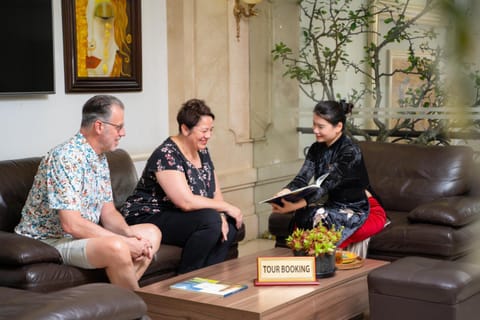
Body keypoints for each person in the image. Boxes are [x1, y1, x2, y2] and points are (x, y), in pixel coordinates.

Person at [14, 95, 161, 290]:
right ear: (99, 126)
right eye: (119, 127)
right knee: (118, 248)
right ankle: (136, 307)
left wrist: (130, 234)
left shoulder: (100, 158)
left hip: (80, 236)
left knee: (151, 233)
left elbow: (108, 213)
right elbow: (71, 224)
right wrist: (124, 242)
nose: (123, 133)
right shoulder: (66, 157)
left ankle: (113, 300)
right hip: (51, 241)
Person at [121, 98, 243, 274]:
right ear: (185, 129)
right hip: (148, 215)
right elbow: (185, 202)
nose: (208, 135)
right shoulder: (166, 154)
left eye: (211, 130)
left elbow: (215, 191)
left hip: (178, 215)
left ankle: (207, 276)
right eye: (204, 131)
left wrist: (223, 214)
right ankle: (185, 278)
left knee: (231, 222)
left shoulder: (202, 151)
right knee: (211, 221)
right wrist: (224, 209)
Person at [270, 100, 378, 254]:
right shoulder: (316, 148)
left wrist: (296, 204)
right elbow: (302, 178)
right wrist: (285, 192)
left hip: (355, 206)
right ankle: (306, 265)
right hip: (332, 203)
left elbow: (326, 185)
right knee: (304, 214)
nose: (315, 130)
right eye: (314, 125)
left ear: (338, 127)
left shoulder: (350, 151)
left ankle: (320, 264)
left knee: (318, 216)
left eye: (321, 127)